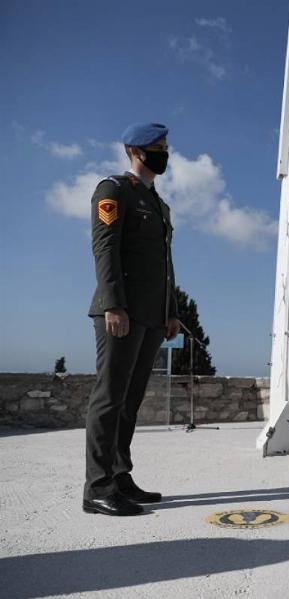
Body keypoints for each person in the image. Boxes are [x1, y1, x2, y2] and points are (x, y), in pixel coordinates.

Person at [83, 122, 180, 516]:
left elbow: (165, 265)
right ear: (136, 151)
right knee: (109, 397)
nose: (165, 153)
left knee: (130, 401)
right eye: (158, 147)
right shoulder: (113, 190)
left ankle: (120, 477)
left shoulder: (159, 204)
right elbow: (104, 250)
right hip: (120, 313)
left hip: (152, 316)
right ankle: (97, 487)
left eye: (166, 146)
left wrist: (170, 312)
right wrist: (113, 305)